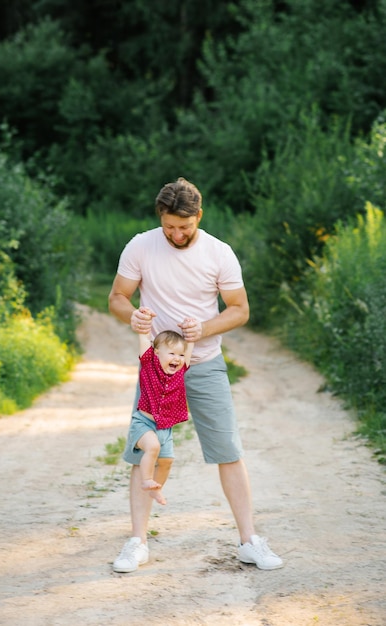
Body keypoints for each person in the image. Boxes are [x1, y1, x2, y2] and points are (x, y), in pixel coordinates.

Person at [109, 176, 283, 573]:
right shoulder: (140, 245)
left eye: (184, 227)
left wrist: (204, 329)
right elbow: (118, 297)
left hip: (205, 365)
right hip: (156, 370)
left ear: (199, 217)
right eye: (169, 226)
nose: (176, 234)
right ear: (161, 218)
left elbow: (240, 309)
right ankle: (136, 542)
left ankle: (250, 541)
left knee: (229, 450)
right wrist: (131, 315)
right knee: (146, 449)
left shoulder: (219, 254)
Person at [122, 305, 194, 508]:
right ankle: (146, 480)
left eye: (180, 356)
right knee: (152, 447)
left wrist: (191, 334)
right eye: (172, 353)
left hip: (165, 428)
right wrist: (146, 322)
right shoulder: (148, 364)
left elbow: (189, 348)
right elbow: (144, 338)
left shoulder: (180, 370)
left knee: (167, 460)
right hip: (144, 423)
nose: (177, 359)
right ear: (156, 353)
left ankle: (156, 488)